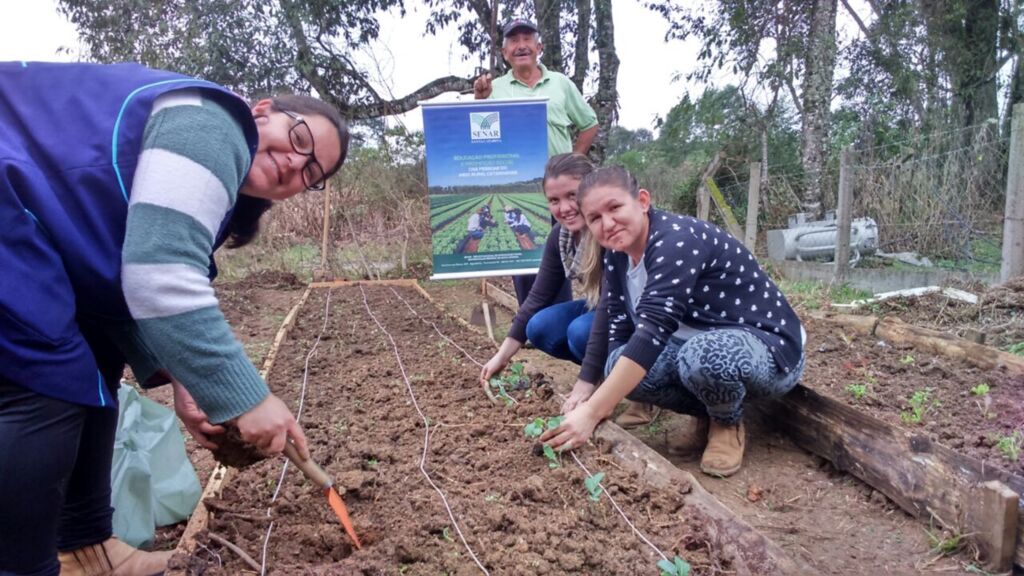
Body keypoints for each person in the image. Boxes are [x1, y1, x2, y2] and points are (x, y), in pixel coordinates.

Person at [0, 62, 348, 576]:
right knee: (46, 378)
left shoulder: (215, 186)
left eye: (310, 174)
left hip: (33, 228)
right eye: (298, 138)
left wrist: (186, 379)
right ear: (262, 112)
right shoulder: (214, 122)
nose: (294, 165)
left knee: (94, 365)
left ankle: (87, 550)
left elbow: (115, 283)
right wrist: (246, 397)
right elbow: (159, 277)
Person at [540, 167, 806, 477]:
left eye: (615, 208)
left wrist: (592, 411)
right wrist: (606, 393)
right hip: (689, 344)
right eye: (595, 218)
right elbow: (618, 324)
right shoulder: (616, 254)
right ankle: (710, 410)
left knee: (705, 356)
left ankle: (726, 423)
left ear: (642, 201)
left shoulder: (675, 240)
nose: (608, 223)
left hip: (766, 348)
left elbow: (652, 331)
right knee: (617, 364)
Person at [480, 154, 658, 428]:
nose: (563, 208)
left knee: (580, 331)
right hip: (599, 304)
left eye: (572, 196)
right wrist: (501, 357)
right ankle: (608, 378)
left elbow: (610, 312)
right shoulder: (560, 236)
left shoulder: (611, 231)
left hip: (638, 315)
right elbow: (537, 298)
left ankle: (638, 391)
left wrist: (583, 385)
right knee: (540, 326)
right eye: (554, 200)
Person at [474, 18, 598, 306]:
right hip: (520, 189)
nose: (521, 46)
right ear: (505, 53)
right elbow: (479, 133)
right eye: (513, 41)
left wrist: (574, 161)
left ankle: (566, 314)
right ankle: (531, 320)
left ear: (538, 47)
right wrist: (479, 101)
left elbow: (589, 124)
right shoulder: (494, 88)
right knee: (523, 251)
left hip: (560, 192)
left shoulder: (561, 84)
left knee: (562, 250)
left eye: (527, 39)